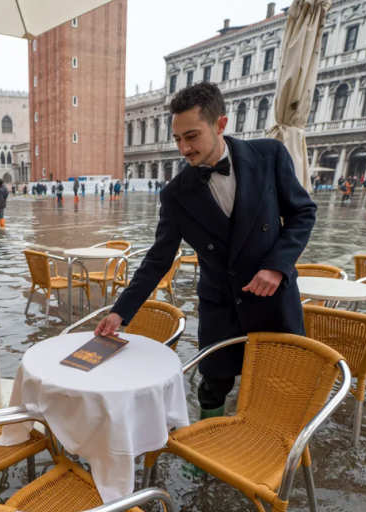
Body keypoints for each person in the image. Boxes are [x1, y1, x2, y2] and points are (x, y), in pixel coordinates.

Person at [95, 82, 316, 419]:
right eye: (178, 139)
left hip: (274, 299)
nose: (184, 148)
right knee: (213, 384)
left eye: (192, 136)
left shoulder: (269, 155)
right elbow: (158, 258)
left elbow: (303, 212)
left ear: (220, 125)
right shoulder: (175, 193)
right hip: (220, 305)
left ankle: (273, 447)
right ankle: (206, 454)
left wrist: (277, 265)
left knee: (280, 381)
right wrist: (120, 312)